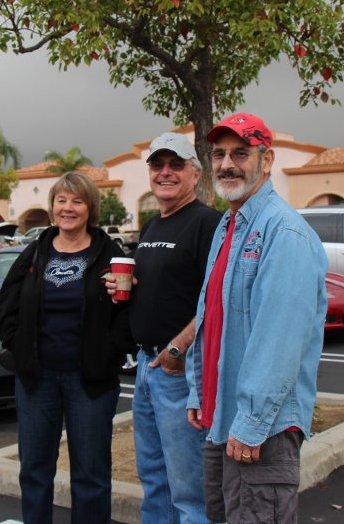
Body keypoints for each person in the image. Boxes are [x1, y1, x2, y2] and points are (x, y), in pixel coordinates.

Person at [185, 113, 328, 524]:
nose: (227, 164)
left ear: (267, 161)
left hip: (260, 431)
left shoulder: (284, 232)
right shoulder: (228, 225)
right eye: (219, 154)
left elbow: (279, 338)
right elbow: (210, 315)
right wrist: (199, 393)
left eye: (241, 153)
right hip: (221, 419)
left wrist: (252, 422)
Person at [0, 172, 134, 524]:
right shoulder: (37, 250)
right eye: (61, 200)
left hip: (89, 381)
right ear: (52, 206)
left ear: (90, 208)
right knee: (35, 472)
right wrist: (17, 345)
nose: (68, 208)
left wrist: (110, 353)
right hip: (36, 380)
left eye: (77, 201)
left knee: (90, 476)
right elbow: (8, 300)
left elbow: (127, 312)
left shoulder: (109, 253)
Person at [104, 132, 221, 524]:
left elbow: (217, 299)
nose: (165, 172)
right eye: (158, 164)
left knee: (189, 490)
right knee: (154, 479)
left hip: (181, 371)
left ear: (196, 173)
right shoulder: (153, 225)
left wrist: (177, 350)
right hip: (146, 368)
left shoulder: (208, 223)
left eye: (176, 164)